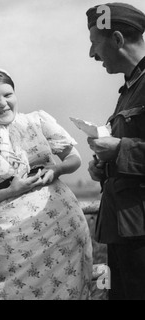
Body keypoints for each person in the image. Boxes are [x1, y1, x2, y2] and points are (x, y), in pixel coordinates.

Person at [0, 68, 93, 300]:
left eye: (8, 95)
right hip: (13, 236)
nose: (2, 103)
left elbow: (75, 159)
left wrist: (56, 169)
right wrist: (11, 191)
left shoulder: (37, 121)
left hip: (62, 224)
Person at [86, 3, 145, 300]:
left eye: (95, 43)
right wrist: (102, 166)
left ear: (118, 40)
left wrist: (119, 148)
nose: (92, 54)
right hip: (123, 229)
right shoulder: (129, 89)